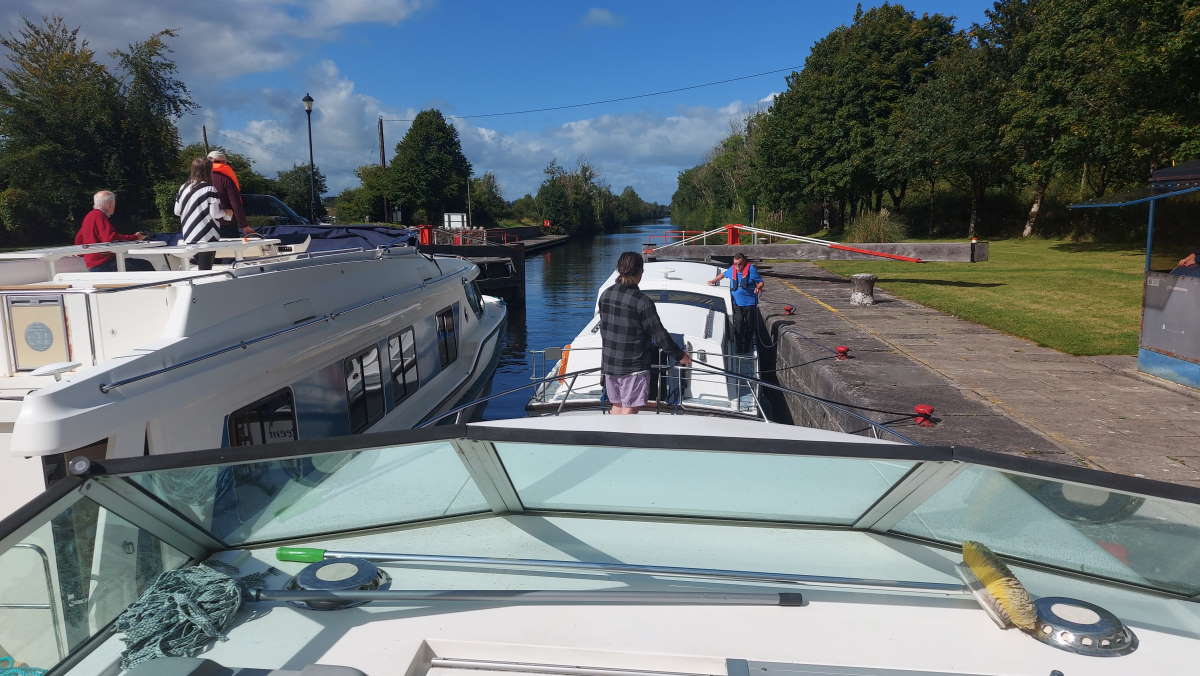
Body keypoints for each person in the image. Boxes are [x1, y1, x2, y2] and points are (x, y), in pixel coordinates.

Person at [598, 252, 692, 415]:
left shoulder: (606, 294)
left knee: (617, 405)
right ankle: (623, 440)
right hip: (633, 365)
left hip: (610, 364)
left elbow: (605, 328)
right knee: (630, 407)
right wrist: (680, 356)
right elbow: (659, 335)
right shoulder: (642, 301)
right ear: (639, 272)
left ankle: (611, 436)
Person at [73, 191, 153, 272]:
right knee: (145, 265)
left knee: (138, 265)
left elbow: (79, 240)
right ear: (110, 204)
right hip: (104, 264)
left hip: (93, 265)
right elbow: (111, 238)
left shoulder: (89, 216)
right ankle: (157, 284)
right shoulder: (100, 216)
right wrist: (135, 237)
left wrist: (83, 254)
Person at [174, 157, 231, 270]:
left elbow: (177, 211)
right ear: (208, 171)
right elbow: (215, 214)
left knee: (195, 269)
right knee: (205, 269)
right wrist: (226, 212)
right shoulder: (210, 189)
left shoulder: (183, 188)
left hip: (189, 236)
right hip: (207, 236)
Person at [707, 252, 764, 353]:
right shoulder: (732, 269)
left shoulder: (751, 270)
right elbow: (722, 275)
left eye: (739, 264)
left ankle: (747, 347)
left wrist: (758, 287)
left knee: (750, 326)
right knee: (739, 324)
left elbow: (761, 282)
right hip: (736, 304)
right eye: (735, 264)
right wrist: (712, 281)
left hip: (750, 303)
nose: (737, 266)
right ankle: (738, 348)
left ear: (744, 262)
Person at [207, 150, 255, 238]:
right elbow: (235, 203)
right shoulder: (226, 179)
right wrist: (244, 225)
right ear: (224, 162)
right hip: (226, 224)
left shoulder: (200, 178)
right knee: (230, 250)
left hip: (204, 224)